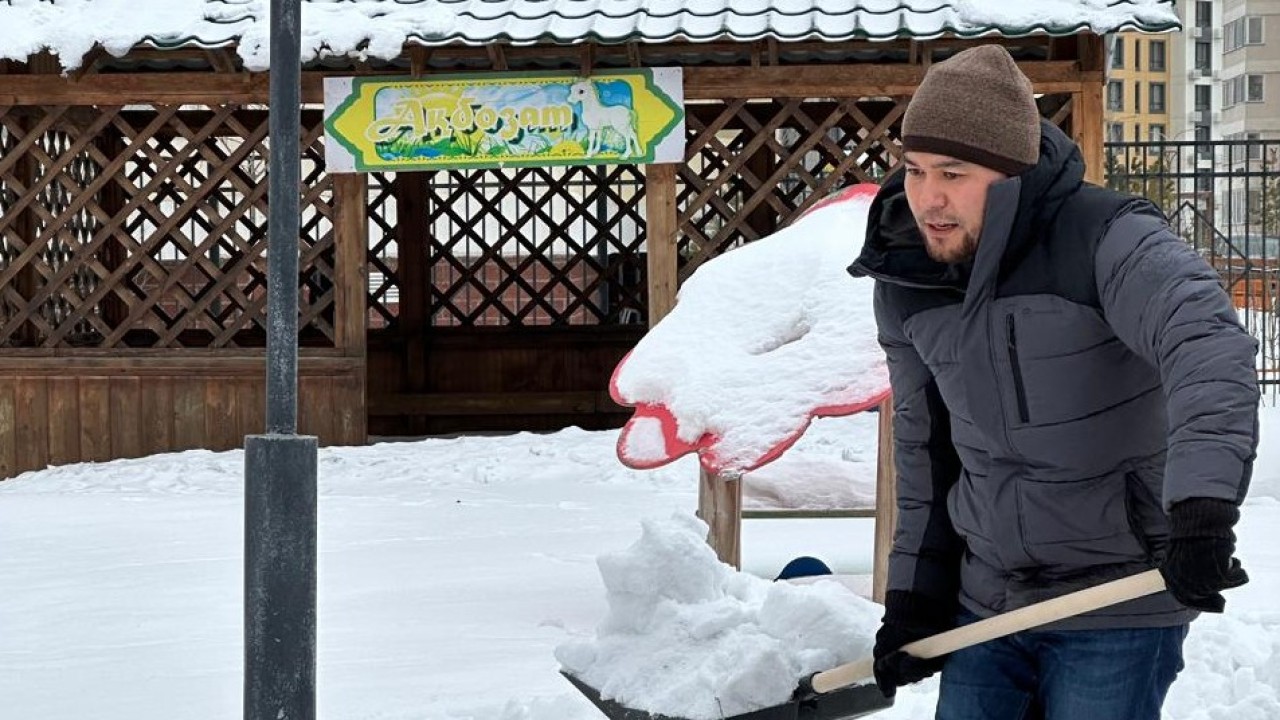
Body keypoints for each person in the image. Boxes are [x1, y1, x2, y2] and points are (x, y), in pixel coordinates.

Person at [848, 44, 1258, 720]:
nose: (929, 198)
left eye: (954, 172)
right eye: (916, 171)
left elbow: (1208, 349)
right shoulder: (910, 276)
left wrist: (1202, 510)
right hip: (988, 600)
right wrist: (915, 597)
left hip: (1118, 596)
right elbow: (926, 453)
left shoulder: (1108, 239)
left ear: (1012, 175)